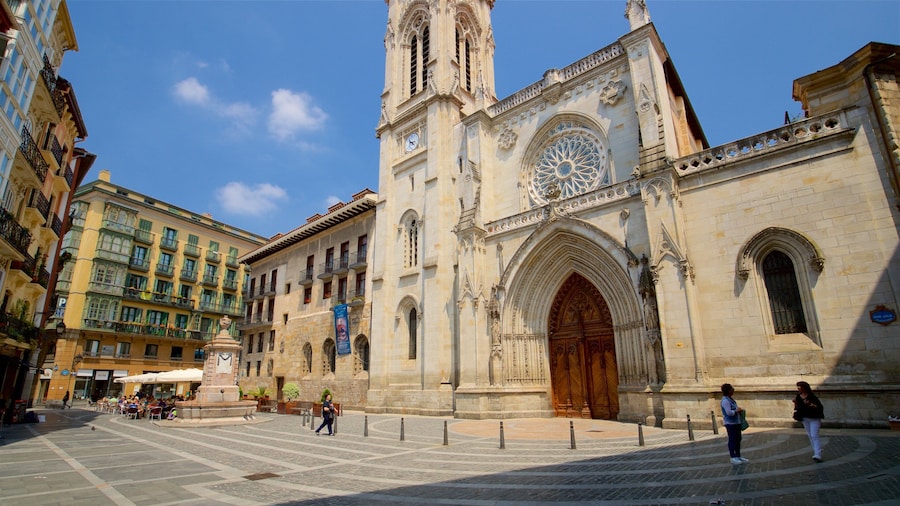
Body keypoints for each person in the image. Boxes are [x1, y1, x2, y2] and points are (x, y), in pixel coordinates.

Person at [794, 381, 825, 462]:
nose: (798, 389)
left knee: (814, 435)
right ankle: (816, 452)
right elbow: (797, 408)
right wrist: (795, 403)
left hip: (814, 418)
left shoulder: (812, 397)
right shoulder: (798, 397)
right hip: (805, 419)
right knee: (810, 435)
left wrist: (810, 404)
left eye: (800, 387)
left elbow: (819, 407)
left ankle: (818, 454)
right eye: (798, 387)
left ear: (804, 388)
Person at [720, 383, 748, 465]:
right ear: (728, 391)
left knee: (738, 439)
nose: (733, 390)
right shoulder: (725, 401)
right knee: (732, 440)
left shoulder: (730, 399)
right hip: (730, 424)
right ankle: (733, 457)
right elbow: (729, 413)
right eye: (732, 389)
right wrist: (736, 411)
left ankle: (738, 456)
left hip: (736, 422)